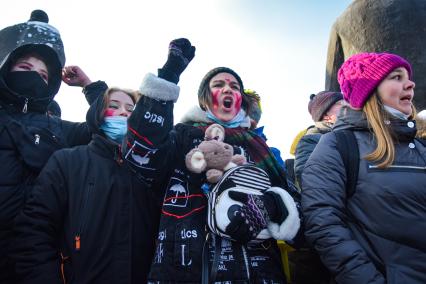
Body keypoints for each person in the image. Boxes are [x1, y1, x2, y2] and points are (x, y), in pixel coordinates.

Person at [124, 38, 301, 283]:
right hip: (183, 271)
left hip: (260, 273)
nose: (228, 89)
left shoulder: (261, 148)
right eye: (219, 85)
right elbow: (139, 153)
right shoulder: (181, 136)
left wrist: (271, 204)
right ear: (205, 99)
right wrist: (168, 76)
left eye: (235, 87)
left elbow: (297, 208)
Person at [13, 86, 162, 283]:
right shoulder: (67, 161)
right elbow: (34, 230)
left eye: (131, 109)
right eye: (114, 106)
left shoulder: (151, 170)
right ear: (97, 115)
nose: (124, 112)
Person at [302, 52, 426, 283]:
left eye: (407, 77)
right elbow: (323, 223)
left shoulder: (420, 147)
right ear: (369, 91)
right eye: (396, 77)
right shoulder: (338, 145)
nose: (410, 83)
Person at [0, 10, 100, 282]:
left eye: (44, 74)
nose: (34, 76)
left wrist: (89, 86)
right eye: (25, 68)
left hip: (38, 260)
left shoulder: (58, 129)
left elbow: (109, 128)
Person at [294, 91, 344, 188]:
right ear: (326, 116)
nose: (346, 106)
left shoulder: (351, 136)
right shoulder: (310, 141)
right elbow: (310, 181)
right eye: (339, 103)